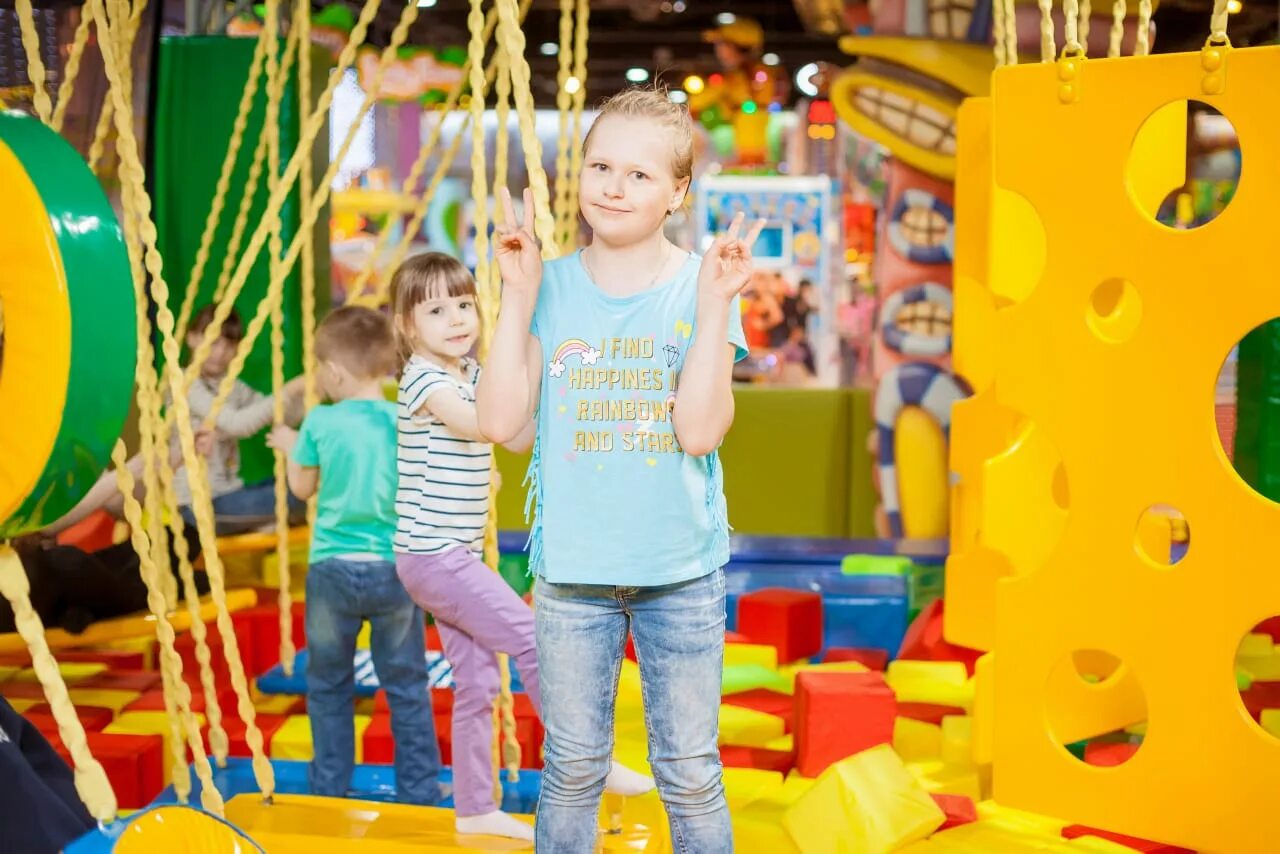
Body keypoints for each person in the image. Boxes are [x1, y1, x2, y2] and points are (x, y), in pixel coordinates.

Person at [477, 87, 762, 853]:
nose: (613, 186)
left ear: (677, 193)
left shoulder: (700, 287)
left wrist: (712, 310)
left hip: (680, 572)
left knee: (690, 771)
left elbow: (699, 432)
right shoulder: (551, 285)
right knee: (570, 766)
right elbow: (502, 425)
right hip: (572, 576)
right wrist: (517, 298)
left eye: (639, 175)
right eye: (601, 165)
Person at [388, 252, 653, 842]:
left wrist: (541, 355)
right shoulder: (424, 380)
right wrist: (521, 344)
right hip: (434, 557)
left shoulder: (470, 374)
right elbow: (490, 425)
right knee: (538, 641)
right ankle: (587, 759)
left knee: (479, 683)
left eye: (463, 305)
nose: (456, 319)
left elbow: (518, 434)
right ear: (409, 327)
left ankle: (475, 807)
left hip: (447, 558)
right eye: (436, 310)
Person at [266, 306, 440, 806]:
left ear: (335, 373)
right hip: (393, 569)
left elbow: (303, 488)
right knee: (406, 684)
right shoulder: (403, 417)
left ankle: (329, 789)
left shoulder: (320, 421)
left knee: (328, 683)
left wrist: (291, 446)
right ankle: (420, 790)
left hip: (333, 572)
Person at [176, 304, 306, 534]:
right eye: (214, 343)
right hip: (199, 507)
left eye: (229, 346)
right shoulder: (185, 384)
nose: (220, 353)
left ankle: (263, 523)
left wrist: (307, 393)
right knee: (299, 495)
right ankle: (265, 523)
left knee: (302, 482)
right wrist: (287, 391)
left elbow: (280, 417)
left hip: (230, 494)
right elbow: (237, 424)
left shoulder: (232, 387)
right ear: (192, 338)